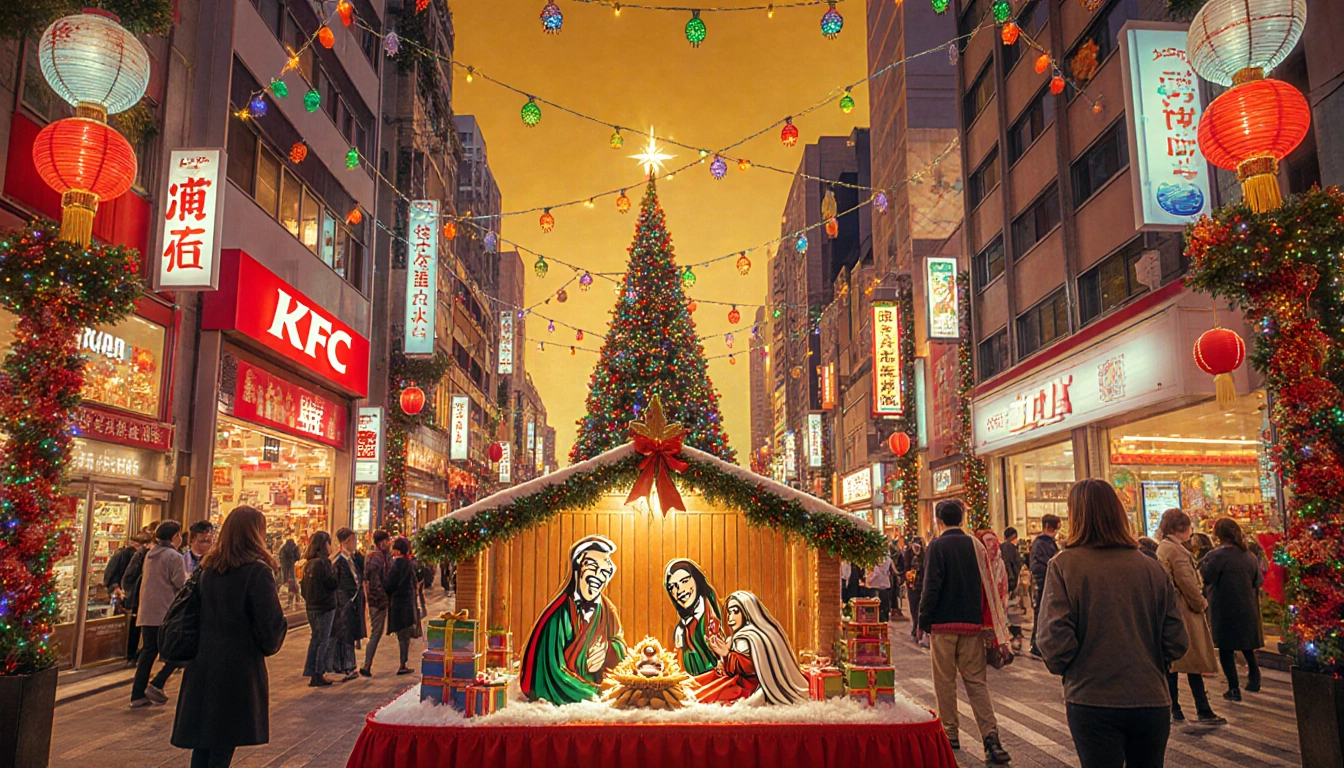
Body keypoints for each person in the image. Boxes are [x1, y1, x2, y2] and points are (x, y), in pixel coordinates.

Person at [1036, 480, 1189, 768]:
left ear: (1076, 515)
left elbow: (1054, 641)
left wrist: (1073, 668)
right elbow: (1177, 639)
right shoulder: (1150, 566)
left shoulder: (1064, 565)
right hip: (1151, 697)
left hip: (1092, 698)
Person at [171, 507, 286, 768]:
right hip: (237, 668)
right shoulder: (256, 572)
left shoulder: (207, 569)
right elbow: (270, 628)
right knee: (223, 744)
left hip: (202, 664)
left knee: (204, 744)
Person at [919, 500, 1011, 763]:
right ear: (961, 519)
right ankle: (991, 738)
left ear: (939, 520)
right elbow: (988, 585)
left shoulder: (937, 546)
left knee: (945, 682)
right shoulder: (976, 545)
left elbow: (931, 585)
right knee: (976, 683)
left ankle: (950, 734)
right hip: (971, 626)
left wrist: (923, 619)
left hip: (943, 626)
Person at [520, 535, 627, 704]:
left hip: (600, 689)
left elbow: (619, 644)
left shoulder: (608, 610)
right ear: (577, 567)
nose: (598, 576)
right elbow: (551, 670)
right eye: (592, 567)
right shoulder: (559, 612)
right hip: (572, 693)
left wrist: (607, 651)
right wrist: (594, 692)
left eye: (604, 572)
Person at [1156, 509, 1226, 725]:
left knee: (1174, 663)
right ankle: (1201, 708)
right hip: (1184, 611)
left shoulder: (1163, 547)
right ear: (1182, 528)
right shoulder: (1176, 551)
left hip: (1171, 611)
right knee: (1192, 659)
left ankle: (1174, 707)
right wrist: (1200, 603)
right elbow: (1187, 582)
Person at [694, 591, 810, 705]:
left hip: (749, 686)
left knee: (709, 695)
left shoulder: (749, 637)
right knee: (702, 684)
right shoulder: (743, 636)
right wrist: (724, 659)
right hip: (740, 681)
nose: (730, 617)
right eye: (729, 612)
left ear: (747, 612)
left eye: (735, 611)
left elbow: (751, 666)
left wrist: (727, 655)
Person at [1199, 517, 1264, 700]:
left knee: (1226, 649)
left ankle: (1234, 688)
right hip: (1247, 606)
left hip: (1224, 607)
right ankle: (1254, 679)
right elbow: (1258, 581)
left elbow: (1207, 576)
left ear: (1218, 535)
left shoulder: (1216, 555)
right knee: (1247, 646)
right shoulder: (1249, 556)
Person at [131, 521, 186, 707]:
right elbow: (180, 583)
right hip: (165, 612)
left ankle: (137, 694)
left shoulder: (150, 554)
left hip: (147, 611)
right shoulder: (174, 556)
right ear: (175, 536)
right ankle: (157, 683)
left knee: (148, 652)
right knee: (178, 651)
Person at [664, 558, 724, 676]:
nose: (679, 590)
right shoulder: (680, 630)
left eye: (685, 581)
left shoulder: (720, 614)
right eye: (672, 587)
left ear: (697, 580)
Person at [300, 531, 338, 687]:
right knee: (323, 639)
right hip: (325, 606)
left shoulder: (308, 564)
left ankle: (311, 670)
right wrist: (335, 571)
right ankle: (318, 673)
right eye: (329, 543)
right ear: (324, 545)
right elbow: (332, 583)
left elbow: (303, 589)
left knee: (315, 638)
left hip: (311, 607)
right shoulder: (324, 563)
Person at [328, 528, 366, 682]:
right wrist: (344, 602)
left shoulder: (353, 560)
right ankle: (345, 666)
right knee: (344, 636)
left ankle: (348, 665)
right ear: (344, 542)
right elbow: (337, 585)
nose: (355, 543)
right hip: (344, 604)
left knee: (349, 634)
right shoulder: (338, 562)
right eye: (352, 540)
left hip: (353, 604)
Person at [383, 537, 421, 676]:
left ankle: (402, 664)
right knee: (405, 636)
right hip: (408, 603)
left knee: (402, 636)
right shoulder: (410, 564)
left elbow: (389, 585)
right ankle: (403, 662)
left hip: (398, 604)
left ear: (398, 550)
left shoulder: (396, 565)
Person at [359, 530, 393, 676]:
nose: (389, 543)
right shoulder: (375, 559)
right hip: (377, 602)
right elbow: (374, 583)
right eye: (387, 540)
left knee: (377, 632)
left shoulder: (384, 557)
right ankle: (366, 665)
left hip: (381, 600)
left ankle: (367, 664)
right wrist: (382, 598)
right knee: (376, 632)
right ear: (381, 543)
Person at [1028, 514, 1061, 659]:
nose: (1056, 532)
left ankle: (1040, 643)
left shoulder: (1046, 543)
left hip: (1046, 581)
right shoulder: (1041, 543)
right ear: (1048, 526)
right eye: (1055, 528)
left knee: (1044, 612)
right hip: (1043, 582)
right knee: (1041, 612)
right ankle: (1036, 644)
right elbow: (1040, 565)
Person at [999, 528, 1024, 652]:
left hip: (1002, 586)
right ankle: (1016, 638)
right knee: (1014, 613)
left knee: (1005, 613)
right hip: (1012, 585)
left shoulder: (999, 548)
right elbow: (1017, 566)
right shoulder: (1013, 549)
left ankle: (1009, 639)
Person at [902, 537, 927, 644]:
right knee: (913, 607)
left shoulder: (924, 555)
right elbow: (905, 567)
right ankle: (915, 625)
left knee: (920, 608)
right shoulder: (908, 554)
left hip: (921, 585)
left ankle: (918, 627)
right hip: (912, 586)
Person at [864, 551, 896, 623]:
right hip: (884, 585)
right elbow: (894, 571)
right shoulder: (888, 559)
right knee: (883, 606)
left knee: (873, 606)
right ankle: (883, 621)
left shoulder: (871, 558)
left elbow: (871, 572)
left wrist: (867, 581)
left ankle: (874, 622)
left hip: (873, 585)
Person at [278, 535, 301, 609]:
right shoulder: (294, 547)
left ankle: (286, 590)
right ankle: (294, 595)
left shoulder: (283, 548)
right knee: (292, 578)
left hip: (284, 565)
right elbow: (298, 556)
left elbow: (280, 556)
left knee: (285, 578)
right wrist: (294, 560)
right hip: (291, 564)